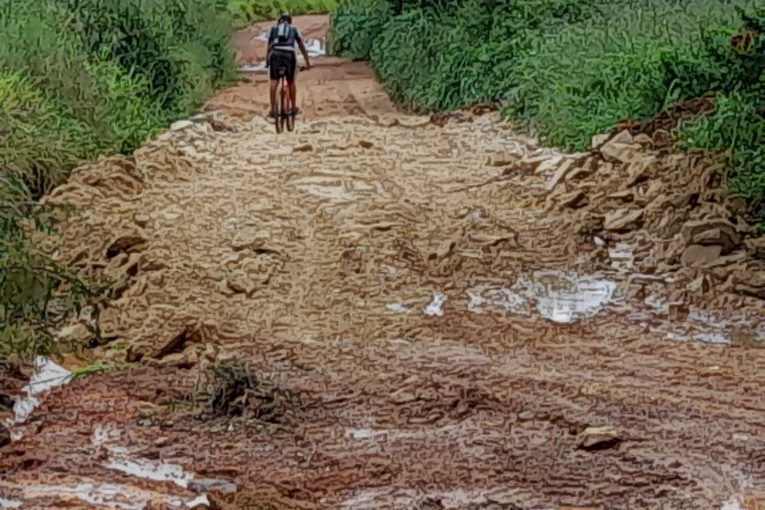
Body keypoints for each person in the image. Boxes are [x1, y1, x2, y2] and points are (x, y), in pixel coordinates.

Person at [265, 12, 311, 118]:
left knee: (274, 82)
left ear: (279, 21)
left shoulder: (273, 30)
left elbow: (269, 47)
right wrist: (307, 62)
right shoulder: (294, 30)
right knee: (291, 82)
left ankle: (273, 110)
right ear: (290, 21)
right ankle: (293, 108)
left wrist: (267, 62)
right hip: (289, 56)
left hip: (276, 55)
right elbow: (301, 47)